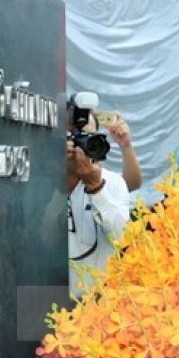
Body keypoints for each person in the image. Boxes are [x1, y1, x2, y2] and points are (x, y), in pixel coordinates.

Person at [67, 109, 130, 298]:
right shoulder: (39, 183)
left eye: (90, 136)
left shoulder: (112, 182)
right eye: (77, 137)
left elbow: (123, 236)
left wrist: (96, 187)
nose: (84, 145)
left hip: (100, 305)